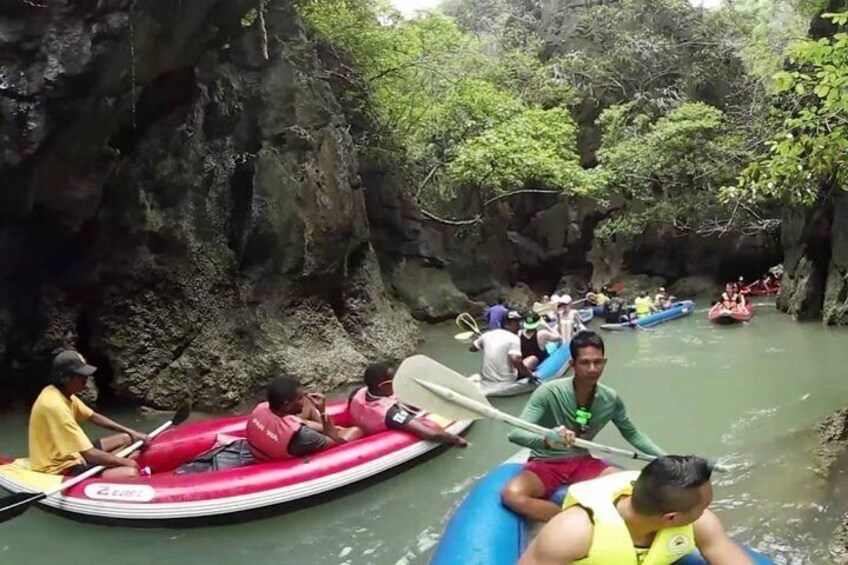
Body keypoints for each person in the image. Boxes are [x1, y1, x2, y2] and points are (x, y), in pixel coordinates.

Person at [501, 331, 666, 522]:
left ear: (604, 362)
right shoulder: (548, 392)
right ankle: (571, 523)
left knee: (634, 493)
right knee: (512, 495)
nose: (593, 369)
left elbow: (633, 434)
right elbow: (515, 433)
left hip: (582, 462)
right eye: (585, 363)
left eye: (598, 362)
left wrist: (664, 458)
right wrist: (547, 441)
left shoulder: (610, 398)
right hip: (546, 463)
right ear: (573, 364)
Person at [520, 455, 754, 565]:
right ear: (670, 518)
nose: (706, 512)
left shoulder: (699, 523)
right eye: (703, 507)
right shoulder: (572, 531)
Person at [28, 350, 150, 478]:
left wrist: (132, 432)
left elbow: (93, 416)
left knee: (126, 438)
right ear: (65, 378)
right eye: (81, 375)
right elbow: (89, 454)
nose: (86, 379)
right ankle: (110, 466)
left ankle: (109, 464)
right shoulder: (54, 405)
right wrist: (127, 462)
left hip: (74, 454)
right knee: (131, 473)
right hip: (58, 466)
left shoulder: (64, 394)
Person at [246, 376, 363, 462]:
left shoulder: (261, 408)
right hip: (275, 456)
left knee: (310, 408)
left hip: (263, 448)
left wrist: (334, 427)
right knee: (356, 431)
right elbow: (336, 441)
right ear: (287, 404)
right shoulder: (303, 436)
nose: (303, 401)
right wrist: (322, 411)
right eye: (300, 398)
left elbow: (294, 423)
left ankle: (331, 427)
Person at [348, 363, 467, 446]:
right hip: (382, 428)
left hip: (367, 424)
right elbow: (431, 434)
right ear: (383, 386)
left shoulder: (356, 393)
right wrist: (457, 440)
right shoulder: (391, 414)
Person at [469, 310, 539, 391]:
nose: (519, 326)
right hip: (506, 380)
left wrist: (482, 341)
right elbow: (516, 360)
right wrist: (530, 375)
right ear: (506, 324)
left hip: (488, 378)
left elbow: (472, 349)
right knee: (533, 358)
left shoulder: (487, 335)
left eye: (519, 322)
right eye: (516, 324)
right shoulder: (513, 338)